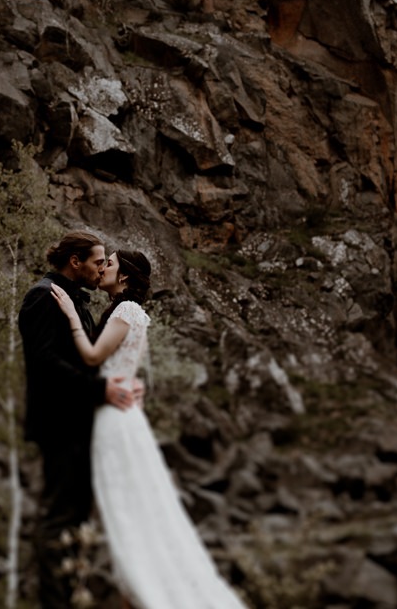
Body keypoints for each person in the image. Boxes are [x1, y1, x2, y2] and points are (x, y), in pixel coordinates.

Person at [50, 249, 245, 609]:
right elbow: (121, 371)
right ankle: (134, 592)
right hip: (121, 414)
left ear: (124, 276)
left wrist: (70, 316)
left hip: (113, 419)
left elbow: (92, 358)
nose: (104, 267)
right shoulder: (132, 313)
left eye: (110, 263)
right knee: (132, 508)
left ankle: (142, 592)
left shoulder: (125, 311)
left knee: (124, 510)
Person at [19, 231, 140, 609]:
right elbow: (44, 362)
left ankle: (71, 596)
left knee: (75, 517)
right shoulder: (43, 296)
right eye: (97, 260)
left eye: (107, 262)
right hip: (60, 424)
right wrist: (98, 390)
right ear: (76, 262)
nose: (102, 267)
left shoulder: (74, 300)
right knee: (59, 516)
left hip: (80, 426)